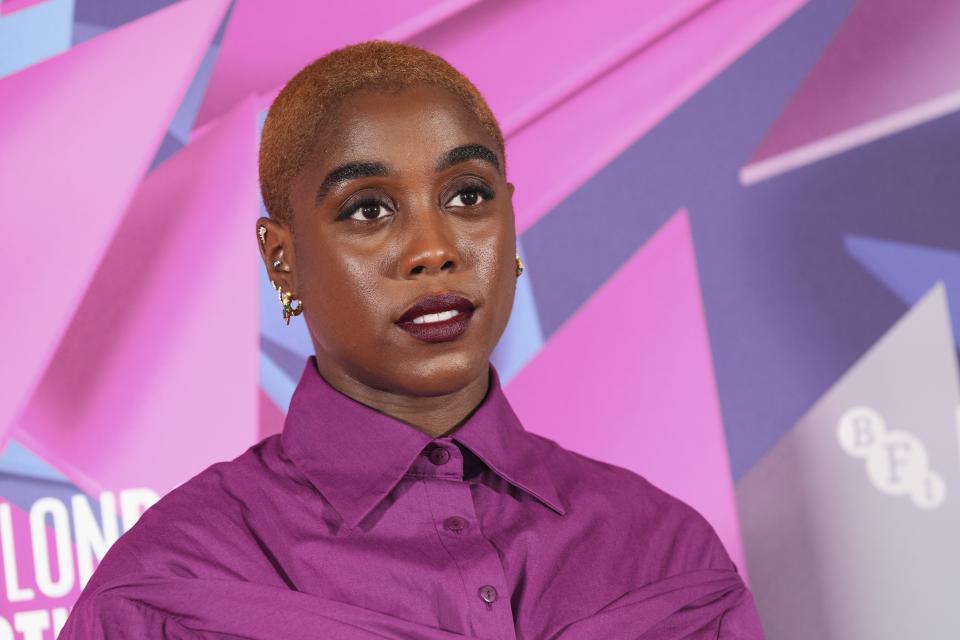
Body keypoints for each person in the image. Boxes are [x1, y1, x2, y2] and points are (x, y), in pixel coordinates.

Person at [59, 40, 765, 639]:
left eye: (467, 196)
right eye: (368, 209)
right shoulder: (172, 587)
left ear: (510, 223)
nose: (434, 248)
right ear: (284, 258)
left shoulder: (664, 552)